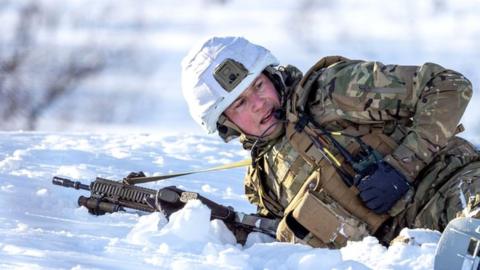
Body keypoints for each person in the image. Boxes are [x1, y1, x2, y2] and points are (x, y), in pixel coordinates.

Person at [181, 36, 480, 248]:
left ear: (272, 75)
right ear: (227, 124)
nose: (258, 104)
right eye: (240, 104)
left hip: (454, 186)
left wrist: (402, 167)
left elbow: (447, 87)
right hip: (410, 245)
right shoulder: (263, 181)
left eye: (259, 86)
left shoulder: (332, 91)